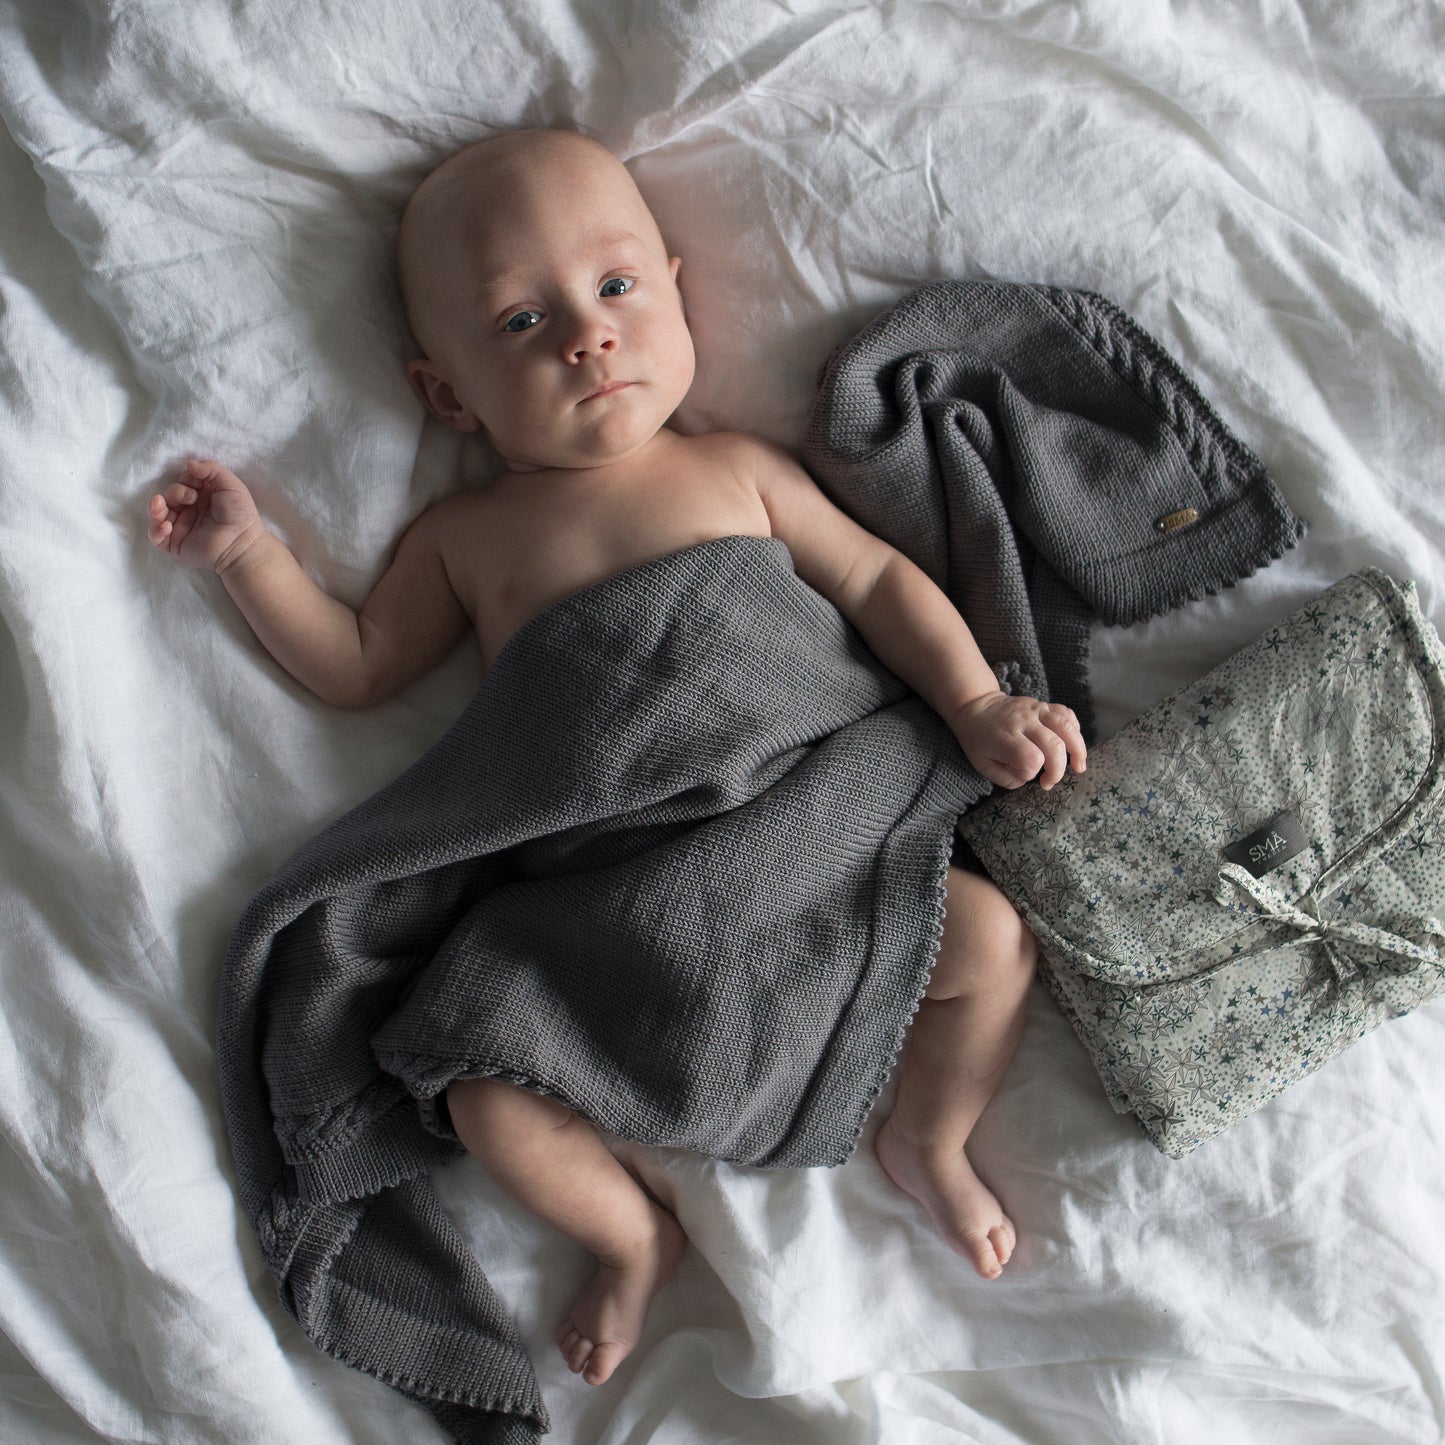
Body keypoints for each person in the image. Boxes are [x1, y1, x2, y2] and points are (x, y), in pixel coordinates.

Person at [145, 127, 1086, 1390]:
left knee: (982, 942)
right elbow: (356, 666)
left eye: (616, 288)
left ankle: (931, 1133)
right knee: (478, 1090)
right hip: (609, 916)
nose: (584, 336)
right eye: (522, 319)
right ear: (447, 396)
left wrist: (973, 699)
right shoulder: (466, 536)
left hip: (804, 843)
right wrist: (246, 555)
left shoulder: (735, 470)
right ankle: (628, 1238)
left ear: (678, 287)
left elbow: (873, 578)